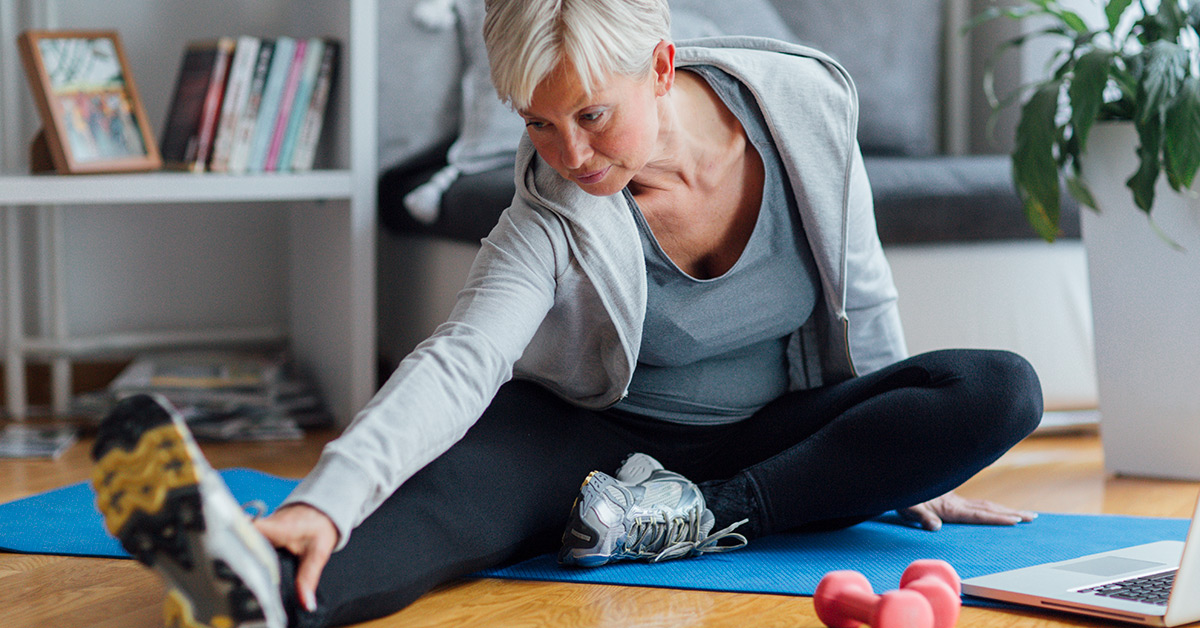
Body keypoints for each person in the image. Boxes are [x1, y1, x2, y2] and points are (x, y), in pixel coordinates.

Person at [89, 1, 1044, 626]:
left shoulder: (806, 106)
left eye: (590, 115)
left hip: (768, 437)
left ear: (662, 67)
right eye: (538, 121)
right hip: (589, 437)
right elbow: (461, 358)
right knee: (431, 510)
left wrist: (916, 459)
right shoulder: (551, 205)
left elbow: (862, 289)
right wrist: (320, 499)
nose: (569, 151)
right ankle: (254, 586)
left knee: (999, 390)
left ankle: (695, 518)